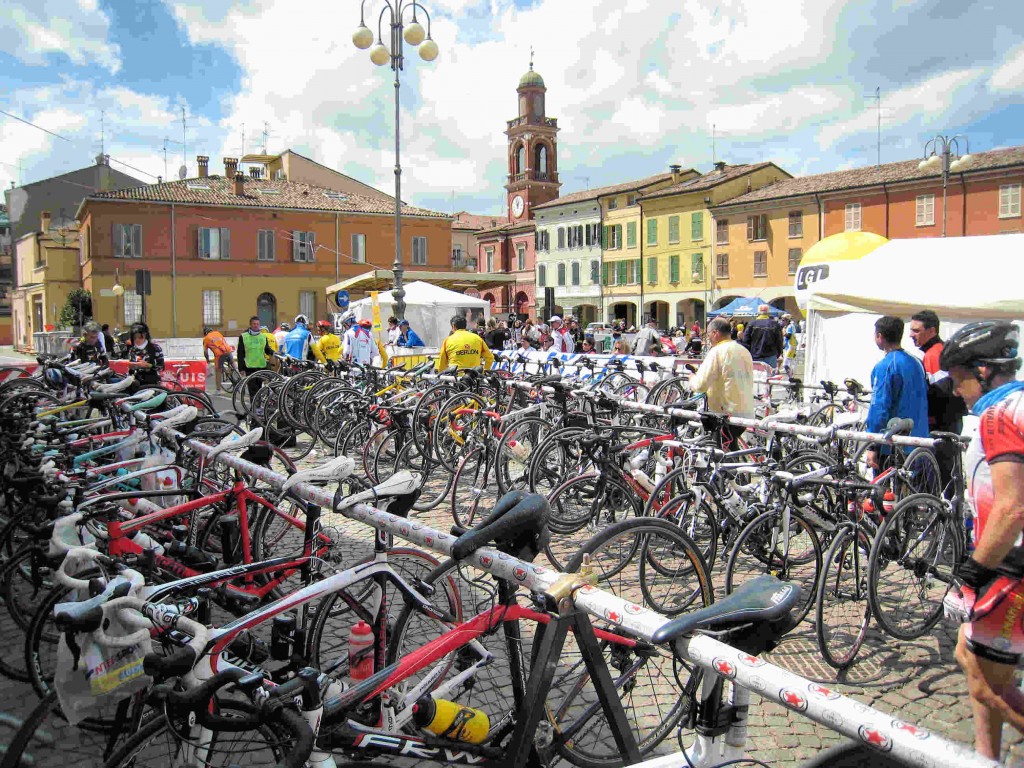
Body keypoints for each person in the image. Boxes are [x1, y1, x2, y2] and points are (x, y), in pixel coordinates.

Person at [937, 321, 1024, 761]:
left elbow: (1012, 507)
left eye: (958, 379)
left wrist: (971, 575)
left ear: (984, 371)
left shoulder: (999, 414)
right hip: (1007, 560)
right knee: (971, 657)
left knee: (986, 682)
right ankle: (985, 757)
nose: (956, 392)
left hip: (1010, 566)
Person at [910, 309, 968, 490]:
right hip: (948, 422)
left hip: (942, 425)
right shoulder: (936, 351)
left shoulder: (935, 354)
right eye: (911, 330)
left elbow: (942, 394)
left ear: (932, 331)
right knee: (945, 475)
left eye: (916, 331)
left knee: (941, 478)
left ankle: (942, 515)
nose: (911, 335)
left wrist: (929, 417)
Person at [864, 316, 930, 471]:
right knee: (913, 491)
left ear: (879, 336)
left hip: (893, 444)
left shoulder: (885, 366)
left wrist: (872, 445)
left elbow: (879, 408)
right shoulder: (916, 362)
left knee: (884, 492)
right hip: (919, 441)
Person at [688, 317, 755, 449]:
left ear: (715, 333)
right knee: (730, 450)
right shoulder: (744, 350)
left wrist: (691, 379)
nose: (708, 338)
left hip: (725, 413)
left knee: (719, 457)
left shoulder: (717, 351)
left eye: (708, 334)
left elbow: (700, 385)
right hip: (746, 412)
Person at [740, 305, 784, 372]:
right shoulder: (774, 324)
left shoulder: (751, 324)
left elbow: (746, 341)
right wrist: (779, 353)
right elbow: (779, 341)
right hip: (771, 355)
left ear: (758, 313)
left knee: (756, 378)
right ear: (768, 313)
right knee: (770, 378)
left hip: (755, 356)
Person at [237, 316, 273, 393]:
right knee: (252, 388)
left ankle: (258, 404)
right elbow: (240, 353)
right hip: (249, 366)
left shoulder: (263, 336)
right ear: (250, 325)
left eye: (257, 324)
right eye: (254, 324)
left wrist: (273, 352)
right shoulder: (243, 337)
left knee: (259, 388)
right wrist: (241, 368)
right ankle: (254, 404)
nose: (256, 325)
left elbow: (266, 349)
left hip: (261, 365)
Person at [126, 323, 164, 387]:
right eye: (135, 338)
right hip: (136, 381)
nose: (137, 340)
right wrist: (134, 365)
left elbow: (161, 366)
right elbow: (130, 367)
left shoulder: (155, 348)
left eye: (140, 337)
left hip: (152, 380)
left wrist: (148, 365)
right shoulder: (132, 349)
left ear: (145, 335)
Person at [202, 326, 234, 392]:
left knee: (217, 371)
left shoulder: (206, 338)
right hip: (228, 350)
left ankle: (218, 390)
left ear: (205, 333)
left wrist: (208, 360)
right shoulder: (218, 333)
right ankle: (234, 375)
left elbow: (205, 352)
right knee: (232, 364)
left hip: (219, 354)